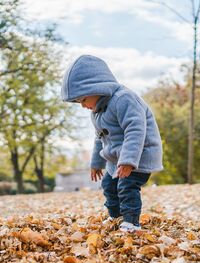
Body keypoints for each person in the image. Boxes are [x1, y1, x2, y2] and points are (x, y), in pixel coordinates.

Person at [61, 55, 163, 233]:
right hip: (115, 160)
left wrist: (128, 161)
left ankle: (131, 222)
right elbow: (99, 138)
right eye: (78, 102)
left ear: (97, 87)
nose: (83, 106)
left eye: (83, 100)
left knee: (126, 187)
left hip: (138, 157)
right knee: (108, 186)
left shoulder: (124, 99)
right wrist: (96, 163)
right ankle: (116, 218)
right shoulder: (97, 111)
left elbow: (135, 130)